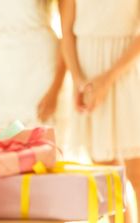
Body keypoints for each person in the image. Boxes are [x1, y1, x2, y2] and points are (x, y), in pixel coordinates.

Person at [60, 0, 140, 221]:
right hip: (86, 74)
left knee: (136, 174)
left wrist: (107, 79)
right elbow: (66, 33)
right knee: (109, 181)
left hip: (126, 72)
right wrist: (78, 81)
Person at [0, 0, 65, 128]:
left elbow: (67, 35)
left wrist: (55, 90)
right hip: (1, 78)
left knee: (42, 141)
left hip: (40, 74)